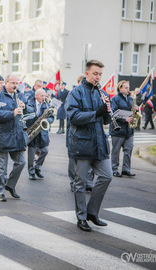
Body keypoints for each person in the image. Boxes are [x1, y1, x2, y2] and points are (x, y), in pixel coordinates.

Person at [65, 60, 113, 232]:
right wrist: (96, 113)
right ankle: (81, 217)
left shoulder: (101, 92)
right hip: (82, 143)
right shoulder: (76, 92)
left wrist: (107, 111)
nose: (98, 77)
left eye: (100, 74)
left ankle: (92, 212)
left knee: (107, 176)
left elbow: (105, 120)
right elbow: (74, 117)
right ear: (87, 73)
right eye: (95, 74)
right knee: (80, 183)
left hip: (99, 143)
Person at [0, 73, 28, 202]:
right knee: (1, 167)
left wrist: (24, 106)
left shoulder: (19, 95)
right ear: (5, 83)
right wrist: (12, 113)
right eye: (12, 83)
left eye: (17, 83)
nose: (15, 85)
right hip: (2, 134)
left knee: (21, 162)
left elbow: (27, 111)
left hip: (16, 134)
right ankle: (0, 191)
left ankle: (10, 185)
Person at [110, 81, 137, 178]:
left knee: (128, 150)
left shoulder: (131, 99)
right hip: (118, 130)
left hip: (129, 130)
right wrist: (124, 119)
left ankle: (126, 169)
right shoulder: (115, 99)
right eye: (125, 87)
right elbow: (113, 114)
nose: (127, 89)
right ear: (120, 88)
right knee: (116, 151)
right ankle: (114, 170)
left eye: (128, 87)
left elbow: (132, 111)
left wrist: (136, 109)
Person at [27, 89, 54, 180]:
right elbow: (27, 115)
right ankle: (31, 172)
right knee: (31, 153)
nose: (43, 98)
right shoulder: (29, 103)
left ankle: (37, 167)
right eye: (41, 96)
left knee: (45, 150)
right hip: (33, 130)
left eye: (44, 96)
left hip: (42, 131)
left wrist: (47, 120)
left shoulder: (46, 104)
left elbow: (52, 117)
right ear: (36, 96)